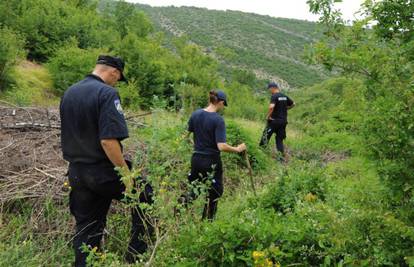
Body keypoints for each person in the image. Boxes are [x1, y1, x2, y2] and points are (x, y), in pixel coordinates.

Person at [60, 55, 153, 266]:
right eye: (118, 78)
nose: (116, 82)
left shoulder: (70, 92)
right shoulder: (107, 93)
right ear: (114, 72)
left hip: (76, 172)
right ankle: (136, 257)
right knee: (146, 196)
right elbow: (108, 141)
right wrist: (126, 175)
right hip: (101, 171)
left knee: (87, 228)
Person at [180, 90, 247, 220]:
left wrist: (198, 145)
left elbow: (185, 136)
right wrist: (238, 149)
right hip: (211, 161)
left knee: (194, 188)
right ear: (220, 102)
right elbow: (221, 146)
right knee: (215, 192)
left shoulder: (196, 114)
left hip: (196, 158)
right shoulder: (218, 120)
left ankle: (181, 206)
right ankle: (208, 222)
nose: (223, 107)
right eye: (223, 104)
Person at [259, 82, 295, 161]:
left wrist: (268, 117)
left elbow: (271, 107)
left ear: (273, 88)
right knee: (279, 140)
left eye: (269, 89)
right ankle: (281, 159)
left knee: (265, 136)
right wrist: (286, 108)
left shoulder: (274, 96)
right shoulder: (284, 96)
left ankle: (260, 154)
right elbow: (293, 104)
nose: (269, 91)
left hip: (274, 121)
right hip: (283, 122)